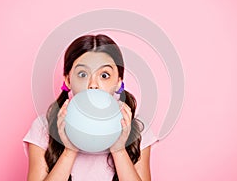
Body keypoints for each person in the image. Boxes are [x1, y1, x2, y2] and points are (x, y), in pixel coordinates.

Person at [23, 34, 158, 181]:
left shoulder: (137, 129)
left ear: (119, 82)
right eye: (82, 74)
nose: (93, 84)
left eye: (104, 75)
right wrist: (69, 149)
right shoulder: (43, 127)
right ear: (68, 80)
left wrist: (119, 150)